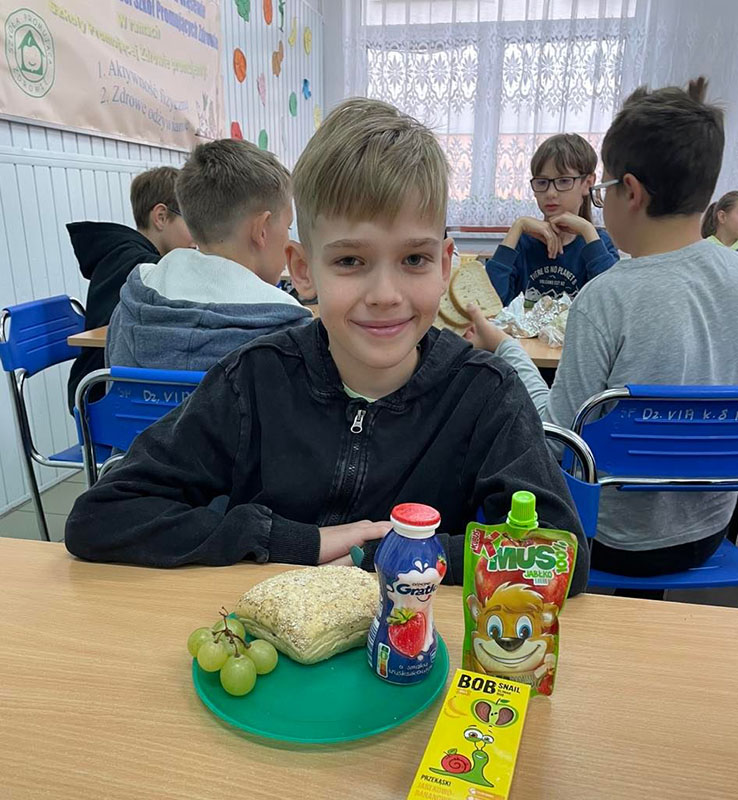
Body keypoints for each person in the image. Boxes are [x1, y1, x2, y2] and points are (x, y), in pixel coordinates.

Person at [65, 98, 588, 594]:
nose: (385, 295)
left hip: (413, 645)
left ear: (445, 264)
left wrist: (383, 554)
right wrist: (295, 542)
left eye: (414, 260)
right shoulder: (253, 380)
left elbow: (561, 554)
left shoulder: (486, 393)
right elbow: (101, 515)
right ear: (302, 270)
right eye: (350, 261)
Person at [466, 77, 738, 578]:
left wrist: (504, 347)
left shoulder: (607, 296)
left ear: (629, 191)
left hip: (611, 540)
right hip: (709, 532)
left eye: (603, 186)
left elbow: (559, 439)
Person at [106, 139, 312, 371]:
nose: (287, 237)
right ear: (261, 229)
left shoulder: (130, 305)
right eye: (288, 227)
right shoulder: (291, 332)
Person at [66, 166, 194, 411]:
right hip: (104, 394)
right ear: (161, 217)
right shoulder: (143, 267)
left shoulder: (123, 253)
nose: (197, 235)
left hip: (110, 387)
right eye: (191, 220)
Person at [485, 133, 619, 306]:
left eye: (563, 181)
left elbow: (611, 304)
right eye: (542, 182)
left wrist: (587, 230)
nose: (550, 193)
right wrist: (518, 226)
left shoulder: (598, 243)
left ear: (587, 183)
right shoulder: (522, 243)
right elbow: (490, 304)